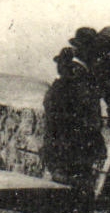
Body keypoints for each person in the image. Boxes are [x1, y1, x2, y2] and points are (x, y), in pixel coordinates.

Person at [41, 46, 104, 204]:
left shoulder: (58, 89)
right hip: (73, 150)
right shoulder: (76, 89)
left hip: (62, 149)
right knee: (77, 190)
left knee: (62, 191)